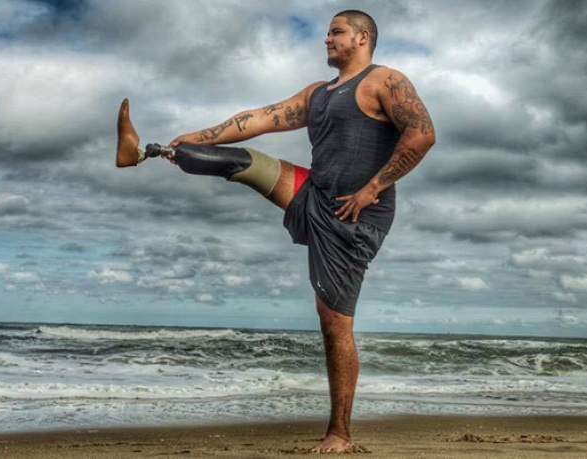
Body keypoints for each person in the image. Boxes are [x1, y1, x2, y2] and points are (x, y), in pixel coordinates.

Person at [116, 9, 434, 454]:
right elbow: (262, 117)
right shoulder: (318, 94)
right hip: (315, 192)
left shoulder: (385, 81)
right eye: (326, 32)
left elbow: (421, 134)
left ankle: (339, 432)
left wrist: (372, 189)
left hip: (352, 214)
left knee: (333, 324)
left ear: (362, 38)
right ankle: (145, 152)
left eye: (336, 32)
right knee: (243, 162)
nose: (326, 39)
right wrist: (194, 139)